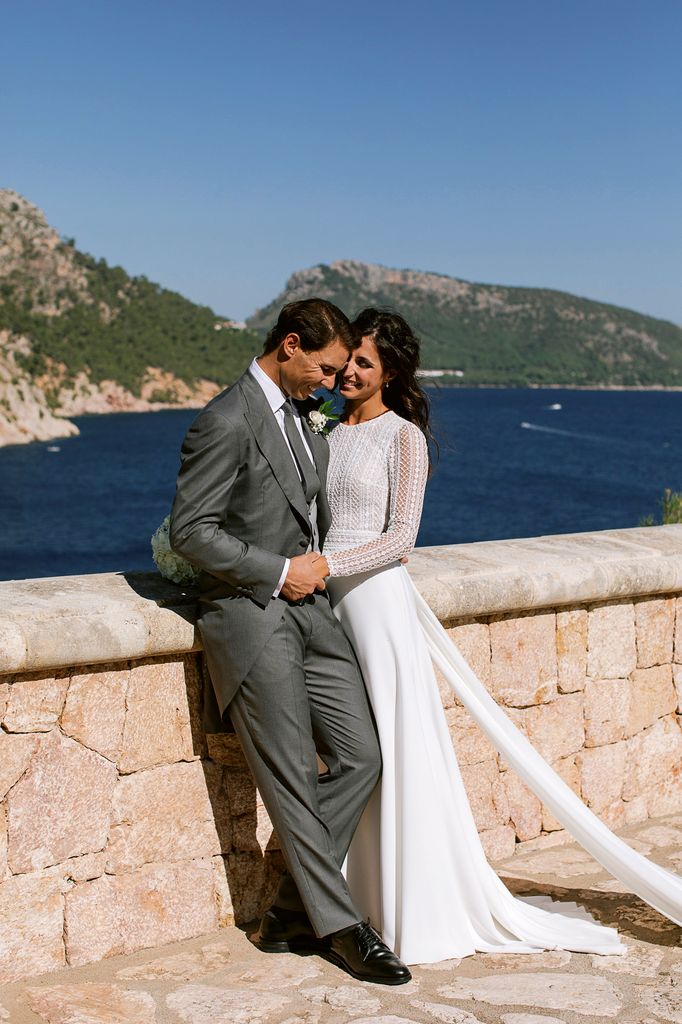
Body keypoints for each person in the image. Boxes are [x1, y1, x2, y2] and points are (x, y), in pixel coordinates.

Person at [314, 307, 682, 965]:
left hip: (375, 607)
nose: (348, 371)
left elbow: (401, 538)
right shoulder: (326, 432)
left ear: (389, 373)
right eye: (347, 359)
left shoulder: (403, 438)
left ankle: (409, 904)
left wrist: (328, 564)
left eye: (363, 362)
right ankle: (350, 897)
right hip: (328, 607)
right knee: (349, 751)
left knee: (392, 753)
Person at [169, 298, 411, 985]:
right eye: (327, 368)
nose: (333, 383)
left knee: (363, 756)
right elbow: (192, 530)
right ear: (292, 345)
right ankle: (342, 927)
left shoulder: (308, 421)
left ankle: (286, 909)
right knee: (293, 783)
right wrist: (278, 572)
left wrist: (314, 572)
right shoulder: (223, 419)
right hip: (251, 617)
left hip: (315, 616)